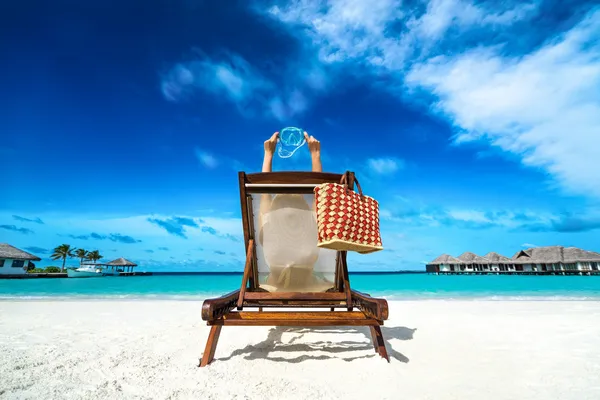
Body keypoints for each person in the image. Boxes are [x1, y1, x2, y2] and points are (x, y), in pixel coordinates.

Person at [257, 132, 331, 291]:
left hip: (273, 286)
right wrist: (315, 154)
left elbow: (264, 194)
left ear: (275, 209)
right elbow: (319, 194)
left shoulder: (269, 223)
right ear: (304, 208)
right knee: (323, 279)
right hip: (309, 286)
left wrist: (268, 153)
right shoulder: (313, 223)